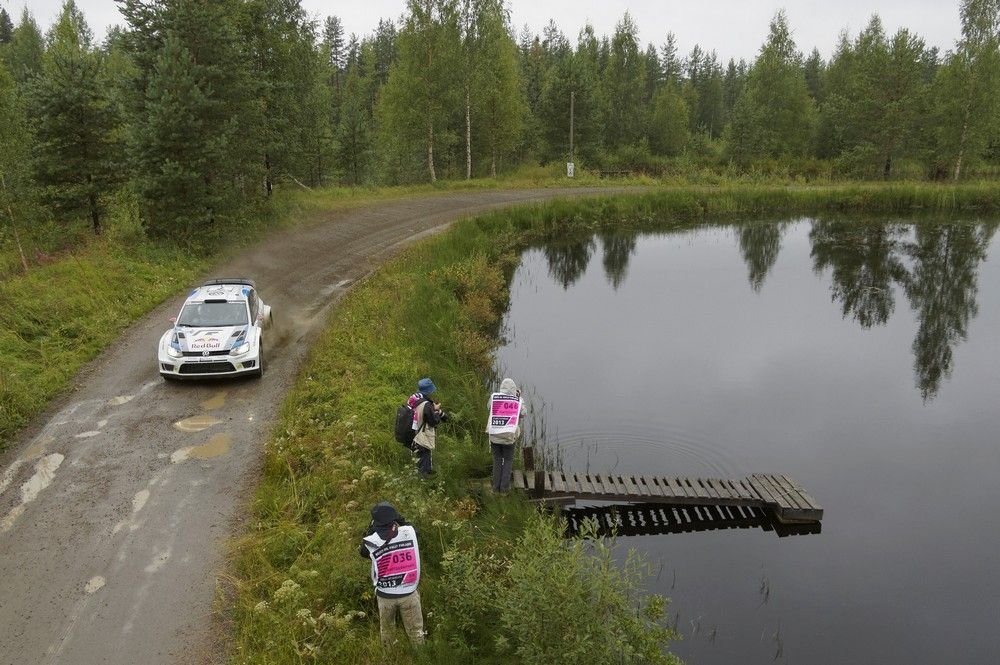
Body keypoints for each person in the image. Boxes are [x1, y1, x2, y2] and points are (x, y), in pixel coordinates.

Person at [358, 502, 424, 647]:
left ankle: (389, 656)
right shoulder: (409, 532)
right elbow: (415, 531)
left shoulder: (371, 541)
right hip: (409, 592)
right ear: (393, 518)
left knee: (387, 631)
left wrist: (371, 529)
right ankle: (420, 655)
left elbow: (363, 552)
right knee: (416, 632)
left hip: (385, 594)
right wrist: (400, 520)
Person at [486, 377, 525, 493]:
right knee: (507, 461)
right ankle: (504, 489)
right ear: (514, 389)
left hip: (494, 435)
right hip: (508, 437)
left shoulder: (494, 398)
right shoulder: (516, 400)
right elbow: (524, 413)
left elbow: (489, 408)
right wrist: (518, 397)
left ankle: (495, 488)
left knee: (497, 460)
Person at [409, 377, 446, 477]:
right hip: (423, 438)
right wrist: (436, 411)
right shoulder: (426, 404)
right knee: (423, 465)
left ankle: (422, 481)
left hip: (415, 435)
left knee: (419, 461)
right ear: (429, 390)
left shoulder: (415, 400)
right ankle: (423, 485)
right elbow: (434, 421)